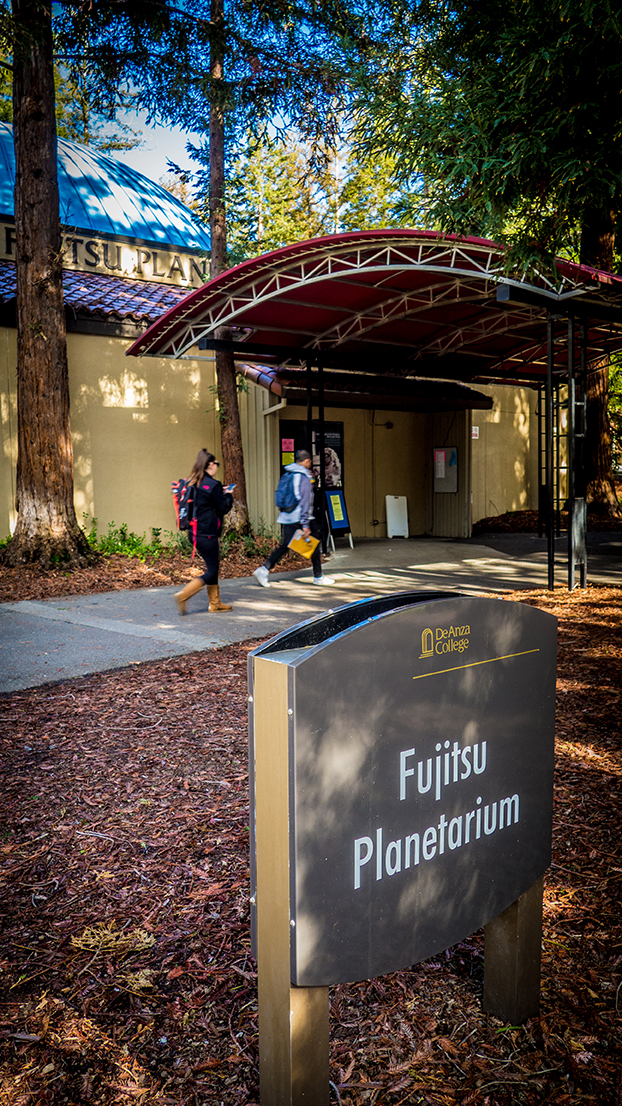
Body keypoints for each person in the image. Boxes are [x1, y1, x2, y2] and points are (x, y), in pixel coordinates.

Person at [253, 449, 335, 588]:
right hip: (299, 517)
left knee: (287, 545)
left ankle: (264, 569)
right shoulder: (303, 476)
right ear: (307, 461)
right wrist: (305, 523)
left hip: (287, 516)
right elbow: (305, 500)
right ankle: (318, 576)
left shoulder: (288, 473)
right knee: (313, 542)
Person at [174, 450, 234, 615]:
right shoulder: (213, 485)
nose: (217, 467)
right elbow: (223, 508)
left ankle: (215, 603)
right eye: (216, 464)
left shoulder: (192, 482)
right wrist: (228, 495)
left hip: (193, 533)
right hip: (207, 533)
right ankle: (184, 595)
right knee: (213, 570)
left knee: (212, 566)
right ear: (210, 465)